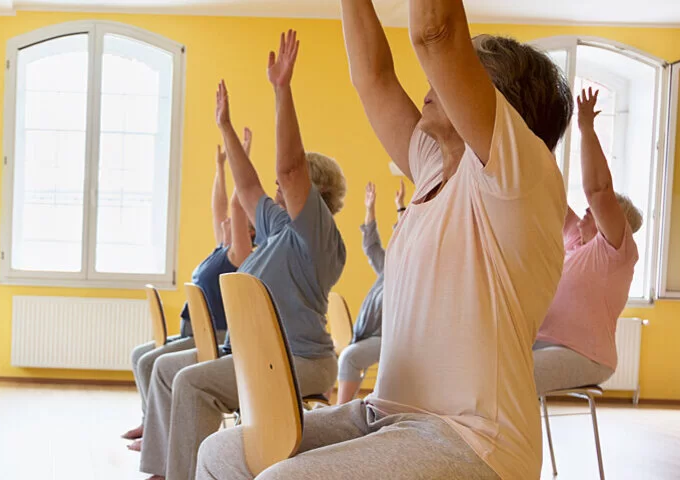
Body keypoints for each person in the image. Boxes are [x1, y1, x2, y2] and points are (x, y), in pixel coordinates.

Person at [196, 0, 572, 476]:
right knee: (222, 453)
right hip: (386, 414)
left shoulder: (520, 177)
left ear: (499, 102)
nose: (431, 83)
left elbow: (437, 32)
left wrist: (445, 48)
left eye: (461, 71)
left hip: (475, 440)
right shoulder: (435, 166)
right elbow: (373, 76)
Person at [141, 30, 347, 480]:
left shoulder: (318, 235)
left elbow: (288, 169)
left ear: (314, 194)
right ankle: (163, 470)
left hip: (301, 362)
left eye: (287, 190)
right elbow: (250, 187)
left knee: (191, 382)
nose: (275, 192)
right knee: (176, 375)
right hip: (259, 356)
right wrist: (226, 129)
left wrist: (282, 90)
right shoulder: (277, 229)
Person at [126, 132, 257, 450]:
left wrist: (244, 158)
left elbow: (238, 202)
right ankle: (151, 426)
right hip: (194, 333)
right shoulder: (221, 249)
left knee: (150, 363)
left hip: (212, 337)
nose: (226, 218)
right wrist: (220, 167)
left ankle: (157, 436)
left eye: (236, 220)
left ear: (248, 230)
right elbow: (219, 206)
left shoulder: (240, 255)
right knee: (141, 357)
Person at [534, 88, 643, 393]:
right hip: (541, 344)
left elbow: (598, 190)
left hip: (584, 356)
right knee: (476, 362)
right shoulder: (573, 243)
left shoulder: (614, 253)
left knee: (506, 380)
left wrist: (586, 128)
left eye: (596, 212)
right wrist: (544, 137)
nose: (586, 210)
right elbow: (548, 188)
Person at [334, 180, 404, 405]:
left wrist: (401, 208)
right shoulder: (387, 267)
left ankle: (340, 411)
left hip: (392, 340)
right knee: (339, 355)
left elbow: (407, 233)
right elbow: (371, 245)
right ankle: (325, 408)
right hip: (370, 336)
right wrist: (369, 209)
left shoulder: (411, 274)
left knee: (349, 357)